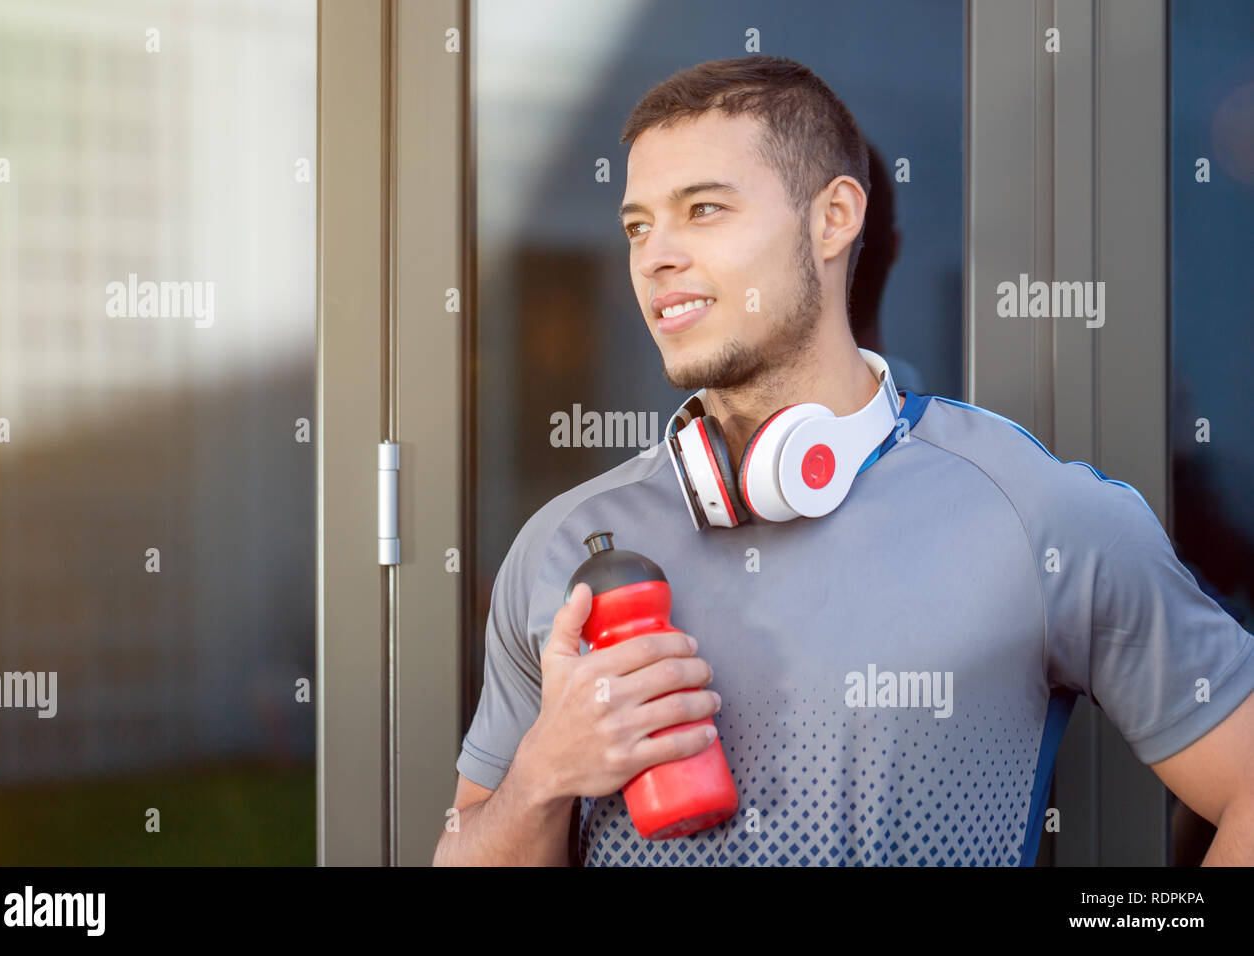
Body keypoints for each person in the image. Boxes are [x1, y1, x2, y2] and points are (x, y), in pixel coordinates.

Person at [433, 56, 1254, 867]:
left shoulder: (1038, 515)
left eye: (704, 209)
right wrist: (542, 775)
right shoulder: (565, 548)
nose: (655, 256)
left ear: (833, 218)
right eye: (639, 225)